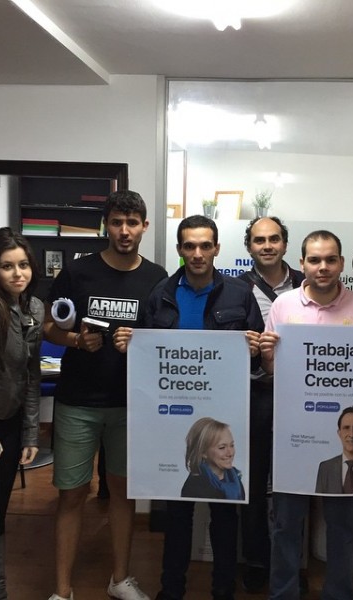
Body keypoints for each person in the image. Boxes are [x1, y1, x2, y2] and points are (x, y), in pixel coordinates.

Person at [114, 214, 263, 600]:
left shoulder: (239, 294)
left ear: (217, 248)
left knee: (224, 514)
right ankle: (171, 590)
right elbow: (147, 357)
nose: (197, 253)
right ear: (180, 249)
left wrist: (254, 350)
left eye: (205, 246)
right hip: (173, 419)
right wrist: (131, 344)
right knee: (176, 512)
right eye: (190, 246)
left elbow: (259, 357)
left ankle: (223, 591)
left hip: (224, 419)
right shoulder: (161, 293)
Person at [259, 230, 353, 600]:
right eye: (314, 260)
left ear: (341, 263)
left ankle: (339, 593)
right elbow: (273, 368)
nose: (322, 267)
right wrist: (267, 353)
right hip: (294, 433)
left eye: (330, 259)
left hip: (346, 436)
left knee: (342, 526)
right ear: (302, 263)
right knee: (286, 523)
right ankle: (283, 594)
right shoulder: (284, 306)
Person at [44, 190, 167, 600]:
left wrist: (141, 341)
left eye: (132, 223)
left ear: (144, 226)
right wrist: (76, 341)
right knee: (71, 494)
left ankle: (120, 579)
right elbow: (49, 327)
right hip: (77, 401)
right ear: (106, 226)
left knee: (122, 492)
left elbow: (164, 336)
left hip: (131, 403)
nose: (124, 231)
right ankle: (63, 590)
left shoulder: (157, 277)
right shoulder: (78, 272)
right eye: (116, 222)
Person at [0, 227, 44, 599]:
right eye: (7, 266)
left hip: (11, 424)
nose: (18, 273)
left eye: (23, 265)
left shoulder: (34, 308)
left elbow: (31, 375)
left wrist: (31, 432)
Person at [237, 216, 304, 593]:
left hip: (301, 397)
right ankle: (257, 560)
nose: (267, 246)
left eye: (274, 239)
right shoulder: (236, 288)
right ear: (249, 246)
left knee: (296, 482)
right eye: (259, 240)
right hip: (255, 394)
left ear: (285, 244)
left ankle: (292, 563)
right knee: (253, 480)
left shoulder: (308, 283)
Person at [181, 417, 245, 501]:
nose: (230, 453)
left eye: (232, 445)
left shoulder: (235, 479)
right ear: (203, 452)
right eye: (222, 447)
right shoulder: (195, 486)